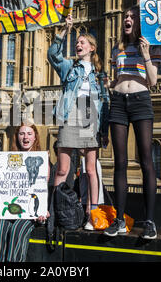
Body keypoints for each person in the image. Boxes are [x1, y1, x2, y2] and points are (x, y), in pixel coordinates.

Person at [104, 5, 161, 239]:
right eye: (126, 16)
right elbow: (116, 78)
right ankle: (119, 220)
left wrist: (146, 55)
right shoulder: (117, 49)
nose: (128, 19)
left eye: (132, 16)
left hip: (141, 100)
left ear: (140, 22)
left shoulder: (151, 46)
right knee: (120, 162)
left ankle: (149, 221)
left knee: (146, 160)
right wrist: (108, 84)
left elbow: (153, 80)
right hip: (118, 101)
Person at [47, 14, 109, 230]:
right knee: (63, 169)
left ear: (92, 47)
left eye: (82, 42)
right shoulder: (69, 68)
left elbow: (105, 104)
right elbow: (52, 54)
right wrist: (65, 29)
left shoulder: (100, 74)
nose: (78, 44)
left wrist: (104, 130)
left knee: (90, 169)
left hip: (89, 114)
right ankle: (56, 213)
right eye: (77, 42)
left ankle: (93, 215)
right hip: (71, 113)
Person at [0, 124, 49, 262]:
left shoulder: (42, 161)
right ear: (17, 137)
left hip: (30, 214)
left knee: (17, 230)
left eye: (29, 134)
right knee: (0, 227)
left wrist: (43, 209)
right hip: (9, 210)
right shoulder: (7, 159)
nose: (25, 137)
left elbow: (43, 189)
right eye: (22, 134)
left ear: (35, 137)